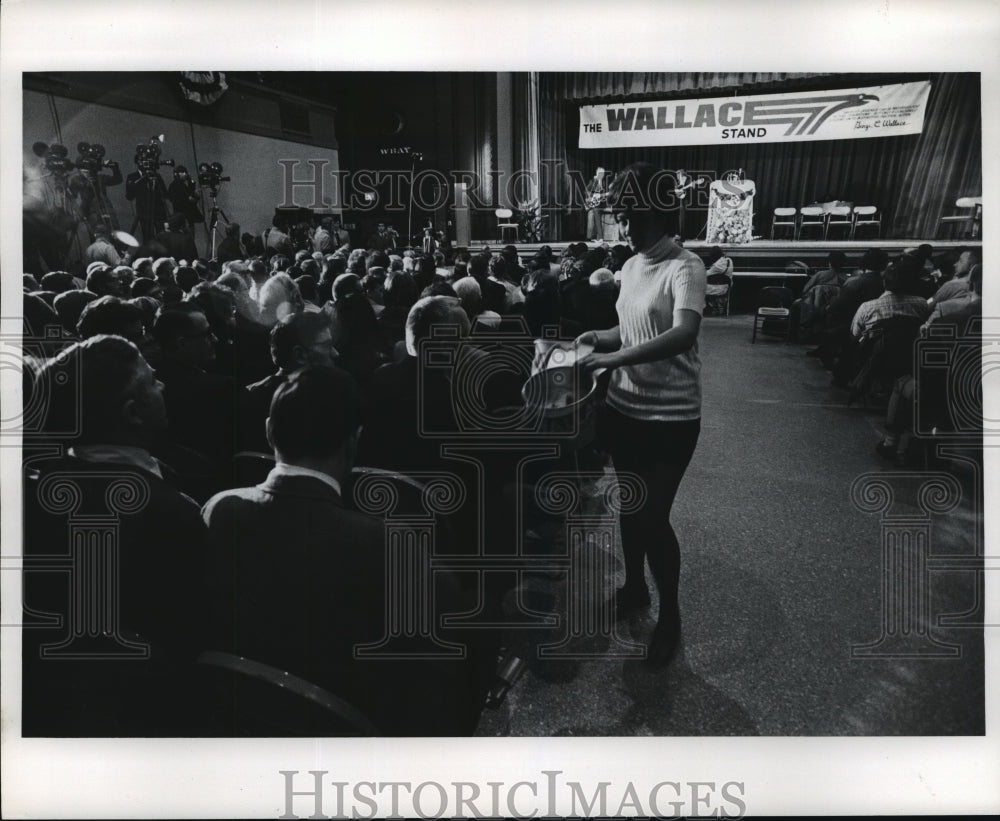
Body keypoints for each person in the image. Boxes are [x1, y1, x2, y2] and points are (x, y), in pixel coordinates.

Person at [202, 366, 490, 735]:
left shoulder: (219, 509)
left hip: (236, 721)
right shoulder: (390, 545)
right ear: (354, 442)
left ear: (270, 430)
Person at [22, 335, 209, 735]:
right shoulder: (173, 515)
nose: (163, 386)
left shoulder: (31, 493)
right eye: (152, 381)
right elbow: (189, 643)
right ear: (132, 413)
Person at [577, 161, 706, 668]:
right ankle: (635, 588)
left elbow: (683, 333)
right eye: (626, 218)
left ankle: (670, 615)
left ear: (660, 216)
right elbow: (625, 331)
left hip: (672, 418)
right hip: (624, 410)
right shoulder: (630, 266)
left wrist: (612, 358)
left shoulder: (685, 267)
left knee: (654, 518)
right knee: (632, 509)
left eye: (635, 218)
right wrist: (596, 340)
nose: (627, 228)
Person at [125, 162, 169, 242]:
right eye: (142, 161)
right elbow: (129, 196)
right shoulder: (132, 177)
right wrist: (141, 180)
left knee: (163, 237)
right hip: (144, 213)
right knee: (147, 238)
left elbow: (165, 194)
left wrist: (156, 182)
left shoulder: (157, 176)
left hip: (159, 212)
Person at [166, 166, 204, 230]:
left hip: (181, 216)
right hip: (185, 216)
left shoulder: (175, 185)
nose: (185, 174)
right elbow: (190, 198)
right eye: (183, 172)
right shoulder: (178, 185)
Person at [585, 167, 609, 241]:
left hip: (598, 204)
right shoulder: (592, 181)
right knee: (591, 220)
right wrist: (590, 199)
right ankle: (590, 238)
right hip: (592, 203)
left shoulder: (603, 182)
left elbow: (603, 192)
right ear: (597, 173)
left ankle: (597, 237)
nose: (602, 175)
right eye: (601, 173)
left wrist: (605, 195)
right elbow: (587, 191)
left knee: (595, 220)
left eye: (603, 173)